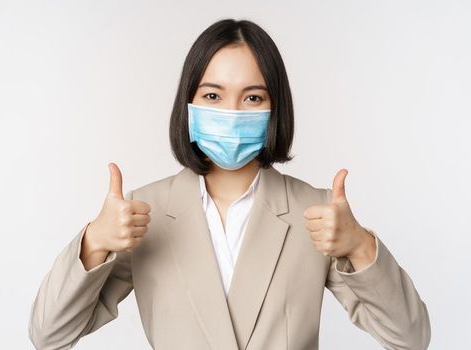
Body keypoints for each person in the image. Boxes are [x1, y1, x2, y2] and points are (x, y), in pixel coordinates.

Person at [27, 19, 430, 350]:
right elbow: (49, 334)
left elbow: (411, 339)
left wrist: (360, 245)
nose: (232, 112)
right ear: (189, 104)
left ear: (276, 108)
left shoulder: (318, 214)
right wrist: (95, 240)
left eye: (253, 98)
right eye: (213, 95)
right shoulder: (142, 213)